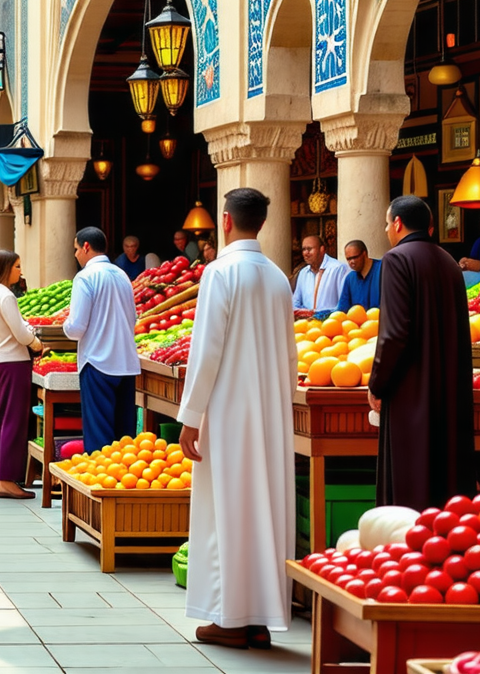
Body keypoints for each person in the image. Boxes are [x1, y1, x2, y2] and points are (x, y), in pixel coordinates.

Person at [175, 187, 296, 650]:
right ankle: (261, 616)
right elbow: (290, 355)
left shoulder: (220, 271)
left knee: (226, 508)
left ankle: (230, 617)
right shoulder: (279, 278)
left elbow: (206, 351)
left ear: (226, 222)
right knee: (264, 508)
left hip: (227, 410)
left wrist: (191, 416)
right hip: (269, 410)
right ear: (261, 224)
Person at [369, 196, 476, 510]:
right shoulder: (447, 260)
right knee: (447, 485)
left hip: (410, 391)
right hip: (449, 390)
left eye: (388, 223)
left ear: (398, 224)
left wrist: (377, 383)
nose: (387, 229)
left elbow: (394, 333)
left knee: (408, 489)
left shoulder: (396, 259)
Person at [64, 227, 140, 453]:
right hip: (126, 364)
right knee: (124, 438)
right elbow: (133, 317)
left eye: (76, 249)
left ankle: (101, 487)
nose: (76, 254)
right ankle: (122, 486)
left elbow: (77, 327)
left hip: (97, 363)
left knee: (99, 438)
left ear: (86, 247)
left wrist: (65, 325)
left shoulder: (85, 277)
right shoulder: (122, 275)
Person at [0, 250, 43, 500]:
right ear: (5, 268)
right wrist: (36, 343)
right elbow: (21, 334)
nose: (20, 271)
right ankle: (6, 480)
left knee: (2, 420)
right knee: (13, 421)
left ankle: (3, 478)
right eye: (16, 266)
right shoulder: (5, 296)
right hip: (13, 362)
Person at [291, 236, 349, 314]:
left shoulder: (338, 269)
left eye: (309, 249)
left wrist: (320, 315)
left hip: (331, 323)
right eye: (304, 249)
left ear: (321, 249)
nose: (305, 253)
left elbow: (343, 303)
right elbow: (296, 302)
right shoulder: (303, 272)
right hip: (306, 323)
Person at [336, 240, 382, 312]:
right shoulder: (350, 278)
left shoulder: (383, 269)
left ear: (364, 254)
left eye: (355, 257)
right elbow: (342, 309)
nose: (352, 262)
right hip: (357, 322)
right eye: (348, 259)